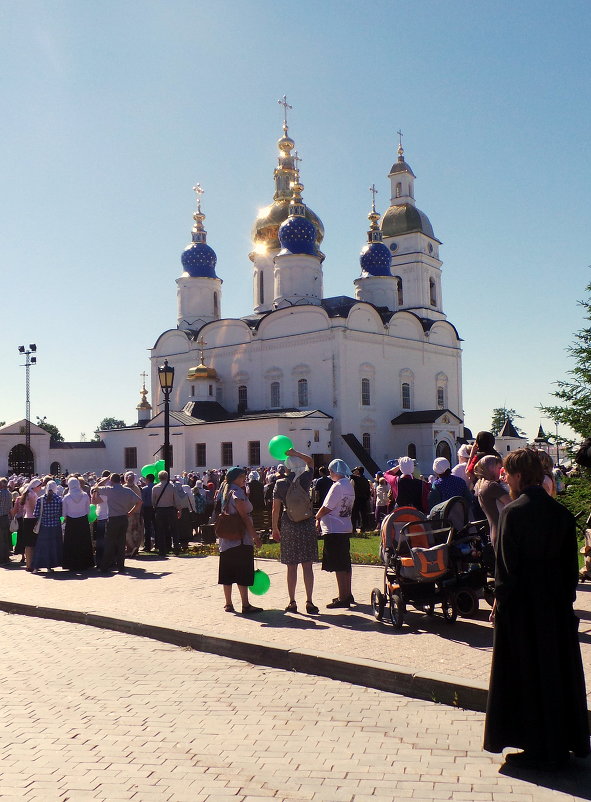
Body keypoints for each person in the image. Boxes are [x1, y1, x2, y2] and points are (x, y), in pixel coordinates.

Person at [484, 449, 590, 769]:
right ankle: (562, 741)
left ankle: (534, 746)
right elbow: (572, 569)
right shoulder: (559, 513)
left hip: (522, 611)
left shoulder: (513, 513)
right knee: (556, 676)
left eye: (508, 475)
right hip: (555, 609)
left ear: (517, 476)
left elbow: (506, 568)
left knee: (526, 675)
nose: (507, 481)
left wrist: (499, 603)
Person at [272, 449, 319, 614]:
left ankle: (292, 601)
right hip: (306, 523)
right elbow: (311, 462)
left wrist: (275, 528)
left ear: (287, 467)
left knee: (291, 566)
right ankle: (310, 601)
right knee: (307, 565)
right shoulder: (306, 479)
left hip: (289, 523)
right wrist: (296, 453)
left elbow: (275, 509)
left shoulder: (280, 483)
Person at [217, 466, 263, 614]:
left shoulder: (224, 490)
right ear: (235, 478)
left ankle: (228, 603)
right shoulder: (237, 492)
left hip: (226, 540)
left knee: (227, 572)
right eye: (242, 476)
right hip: (240, 539)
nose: (244, 478)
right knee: (242, 572)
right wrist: (255, 536)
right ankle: (245, 604)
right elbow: (244, 516)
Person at [316, 459, 355, 608]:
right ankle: (348, 593)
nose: (330, 474)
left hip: (334, 528)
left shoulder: (337, 486)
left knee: (338, 564)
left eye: (331, 471)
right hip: (345, 526)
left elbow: (327, 506)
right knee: (345, 562)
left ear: (335, 472)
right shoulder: (349, 485)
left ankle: (342, 596)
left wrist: (317, 517)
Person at [93, 473, 141, 573]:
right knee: (121, 542)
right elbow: (139, 502)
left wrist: (106, 479)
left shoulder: (109, 490)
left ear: (112, 480)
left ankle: (104, 566)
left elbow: (96, 487)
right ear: (120, 480)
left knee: (109, 542)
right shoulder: (127, 490)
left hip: (113, 518)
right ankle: (121, 566)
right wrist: (130, 512)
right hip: (124, 517)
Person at [472, 456, 510, 546]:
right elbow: (511, 503)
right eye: (499, 468)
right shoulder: (492, 486)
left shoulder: (481, 484)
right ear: (490, 468)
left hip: (495, 530)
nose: (501, 471)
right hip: (502, 531)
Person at [61, 476, 95, 571]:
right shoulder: (84, 495)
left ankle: (71, 564)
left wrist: (63, 520)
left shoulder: (66, 497)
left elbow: (64, 513)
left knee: (71, 543)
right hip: (83, 520)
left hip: (71, 522)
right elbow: (88, 510)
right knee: (84, 542)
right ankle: (85, 563)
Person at [30, 480, 63, 573]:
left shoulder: (40, 499)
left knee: (41, 547)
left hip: (44, 526)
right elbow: (61, 513)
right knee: (52, 547)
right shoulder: (59, 499)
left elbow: (36, 514)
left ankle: (36, 567)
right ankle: (49, 566)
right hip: (55, 526)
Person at [123, 471, 143, 556]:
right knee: (136, 531)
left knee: (127, 531)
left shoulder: (124, 488)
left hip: (127, 512)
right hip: (137, 512)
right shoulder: (137, 488)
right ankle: (135, 548)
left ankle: (130, 548)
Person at [350, 467, 372, 533]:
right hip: (364, 499)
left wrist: (354, 469)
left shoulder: (356, 478)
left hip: (357, 498)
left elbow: (349, 473)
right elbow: (368, 491)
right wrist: (367, 498)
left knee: (354, 514)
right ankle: (363, 528)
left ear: (358, 472)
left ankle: (353, 528)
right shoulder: (366, 480)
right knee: (363, 515)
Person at [141, 473, 156, 551]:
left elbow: (142, 500)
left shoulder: (144, 489)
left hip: (147, 509)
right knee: (156, 526)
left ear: (148, 479)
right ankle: (158, 544)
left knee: (147, 528)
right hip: (155, 508)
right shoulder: (156, 487)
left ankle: (147, 546)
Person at [0, 477, 12, 565]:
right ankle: (6, 557)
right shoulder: (9, 493)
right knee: (5, 539)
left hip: (0, 517)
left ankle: (2, 558)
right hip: (6, 517)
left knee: (1, 539)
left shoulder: (0, 493)